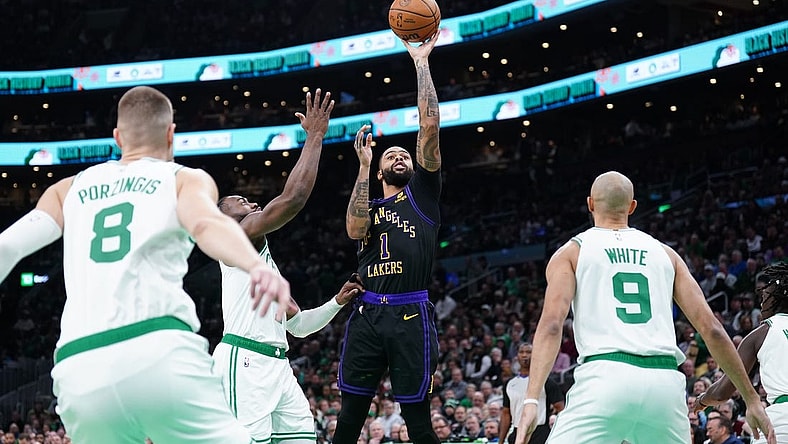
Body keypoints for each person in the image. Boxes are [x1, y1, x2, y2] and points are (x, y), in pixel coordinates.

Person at [0, 86, 292, 443]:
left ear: (117, 138)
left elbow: (7, 247)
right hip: (158, 352)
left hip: (80, 368)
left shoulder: (67, 188)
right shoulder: (185, 179)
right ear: (171, 134)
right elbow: (207, 225)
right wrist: (255, 266)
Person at [514, 171, 775, 444]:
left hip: (604, 379)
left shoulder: (572, 252)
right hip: (664, 383)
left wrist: (532, 398)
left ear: (590, 204)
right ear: (632, 206)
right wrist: (751, 398)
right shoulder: (666, 253)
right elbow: (712, 330)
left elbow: (553, 324)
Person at [211, 88, 363, 443]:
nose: (249, 201)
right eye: (238, 200)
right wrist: (315, 137)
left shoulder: (263, 267)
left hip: (278, 365)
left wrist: (336, 302)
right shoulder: (237, 235)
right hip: (244, 361)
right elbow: (292, 199)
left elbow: (300, 326)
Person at [335, 31, 442, 444]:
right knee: (348, 418)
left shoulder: (424, 196)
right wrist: (363, 168)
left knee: (417, 422)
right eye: (389, 156)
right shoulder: (368, 201)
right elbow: (354, 230)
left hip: (409, 313)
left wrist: (421, 63)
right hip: (366, 314)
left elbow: (429, 126)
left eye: (404, 155)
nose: (400, 156)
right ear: (380, 171)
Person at [695, 262, 788, 443]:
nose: (760, 299)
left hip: (781, 422)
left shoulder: (762, 333)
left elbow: (723, 391)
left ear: (780, 295)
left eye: (765, 293)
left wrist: (702, 400)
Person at [500, 343, 564, 444]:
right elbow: (506, 414)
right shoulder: (509, 384)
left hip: (540, 432)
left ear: (535, 355)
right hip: (517, 430)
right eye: (521, 352)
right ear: (517, 356)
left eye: (528, 352)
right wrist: (501, 441)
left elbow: (561, 408)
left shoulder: (546, 381)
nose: (524, 355)